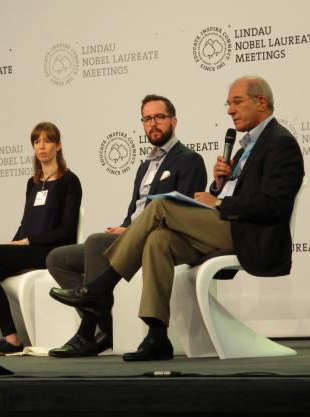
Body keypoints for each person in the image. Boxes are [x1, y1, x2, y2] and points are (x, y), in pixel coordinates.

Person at [50, 76, 305, 361]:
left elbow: (275, 205)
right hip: (228, 225)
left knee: (159, 208)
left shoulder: (280, 143)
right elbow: (236, 195)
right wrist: (220, 185)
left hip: (250, 235)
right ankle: (157, 335)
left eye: (237, 102)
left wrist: (220, 201)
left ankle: (102, 286)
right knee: (158, 240)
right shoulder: (247, 146)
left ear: (261, 102)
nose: (230, 110)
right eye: (228, 104)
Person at [46, 95, 207, 358]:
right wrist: (123, 227)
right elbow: (134, 212)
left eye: (159, 117)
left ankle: (87, 333)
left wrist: (130, 231)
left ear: (173, 121)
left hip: (162, 239)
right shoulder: (144, 165)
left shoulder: (189, 160)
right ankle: (105, 326)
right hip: (131, 235)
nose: (152, 124)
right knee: (58, 258)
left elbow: (184, 213)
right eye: (147, 119)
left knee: (97, 243)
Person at [0, 122, 82, 355]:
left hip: (52, 253)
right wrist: (13, 243)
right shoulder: (33, 183)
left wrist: (28, 241)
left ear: (58, 145)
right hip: (29, 248)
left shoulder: (69, 182)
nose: (41, 146)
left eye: (47, 140)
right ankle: (11, 339)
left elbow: (67, 232)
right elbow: (26, 224)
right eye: (36, 141)